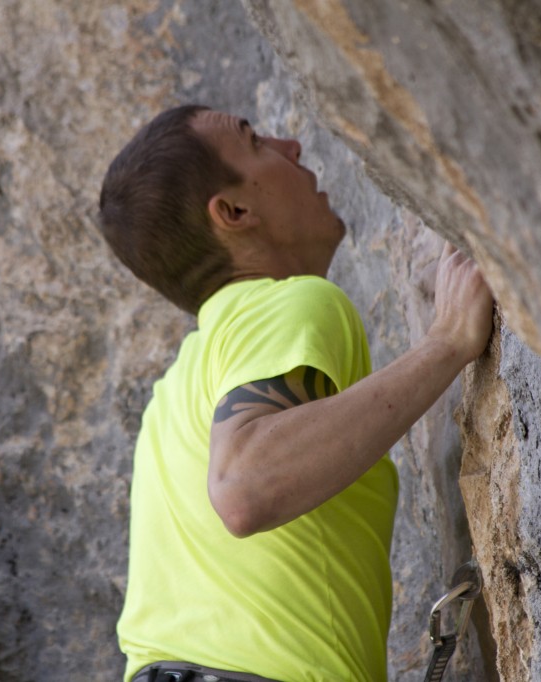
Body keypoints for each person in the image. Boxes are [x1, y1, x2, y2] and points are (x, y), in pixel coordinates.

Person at [98, 104, 494, 682]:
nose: (292, 146)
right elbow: (244, 488)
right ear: (233, 211)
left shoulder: (175, 391)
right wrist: (448, 342)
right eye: (255, 141)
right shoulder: (291, 300)